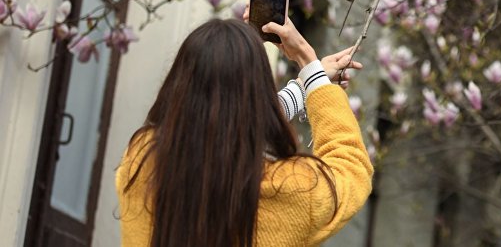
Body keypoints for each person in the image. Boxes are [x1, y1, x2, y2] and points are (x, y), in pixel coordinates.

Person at [115, 15, 373, 246]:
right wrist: (309, 63)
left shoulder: (142, 162)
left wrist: (304, 86)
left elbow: (224, 125)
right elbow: (350, 166)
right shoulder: (288, 189)